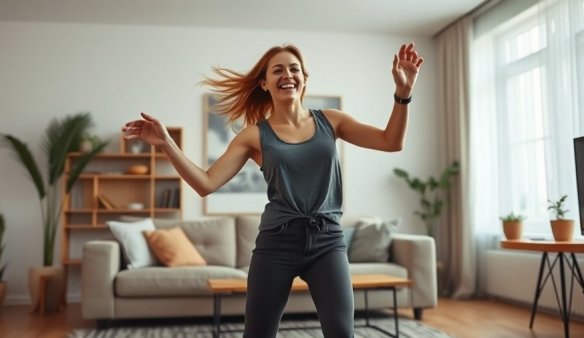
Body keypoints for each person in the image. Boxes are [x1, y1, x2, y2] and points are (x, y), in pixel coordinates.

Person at [122, 42, 423, 338]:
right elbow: (206, 183)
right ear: (265, 83)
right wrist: (166, 144)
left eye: (294, 69)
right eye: (277, 70)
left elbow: (390, 142)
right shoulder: (254, 135)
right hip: (277, 244)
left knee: (342, 333)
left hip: (328, 240)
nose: (287, 75)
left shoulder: (331, 121)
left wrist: (403, 94)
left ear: (305, 79)